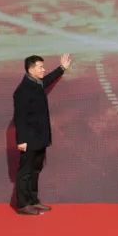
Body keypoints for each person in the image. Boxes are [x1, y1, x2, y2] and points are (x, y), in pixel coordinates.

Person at [12, 53, 71, 215]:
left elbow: (49, 79)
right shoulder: (22, 90)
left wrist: (62, 68)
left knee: (35, 170)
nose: (43, 70)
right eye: (40, 67)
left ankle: (33, 200)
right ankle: (23, 204)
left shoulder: (37, 84)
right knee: (25, 172)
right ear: (31, 69)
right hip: (29, 139)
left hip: (40, 138)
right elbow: (20, 117)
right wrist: (21, 140)